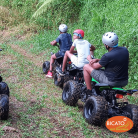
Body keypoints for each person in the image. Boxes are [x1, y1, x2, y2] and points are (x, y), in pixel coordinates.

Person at [83, 32, 129, 97]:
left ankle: (89, 92)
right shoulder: (125, 50)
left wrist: (89, 59)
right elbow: (115, 60)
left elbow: (95, 66)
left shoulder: (107, 55)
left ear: (107, 46)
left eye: (104, 44)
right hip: (124, 81)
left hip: (111, 81)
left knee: (86, 67)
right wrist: (98, 60)